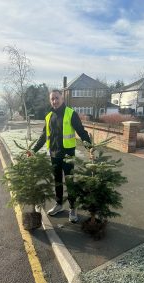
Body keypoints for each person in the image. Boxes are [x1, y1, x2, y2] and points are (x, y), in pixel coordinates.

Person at [29, 89, 91, 223]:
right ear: (50, 101)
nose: (54, 101)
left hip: (68, 155)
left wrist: (90, 147)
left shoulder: (71, 113)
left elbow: (81, 131)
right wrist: (34, 150)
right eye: (52, 99)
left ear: (62, 99)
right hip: (54, 154)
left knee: (70, 182)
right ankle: (59, 205)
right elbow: (43, 136)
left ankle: (73, 208)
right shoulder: (48, 116)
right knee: (57, 180)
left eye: (57, 98)